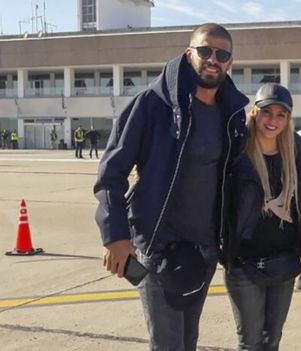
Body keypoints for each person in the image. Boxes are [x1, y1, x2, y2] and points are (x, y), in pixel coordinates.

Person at [93, 23, 248, 351]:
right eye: (205, 51)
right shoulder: (152, 104)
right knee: (167, 345)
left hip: (204, 251)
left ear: (230, 63)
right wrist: (116, 237)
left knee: (188, 342)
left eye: (222, 54)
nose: (212, 59)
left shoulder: (230, 114)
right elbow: (111, 173)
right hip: (157, 247)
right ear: (188, 53)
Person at [222, 83, 301, 351]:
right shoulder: (235, 154)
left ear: (288, 120)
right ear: (254, 113)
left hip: (283, 262)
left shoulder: (298, 155)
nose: (272, 120)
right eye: (267, 112)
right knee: (251, 343)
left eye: (281, 115)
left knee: (272, 340)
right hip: (243, 263)